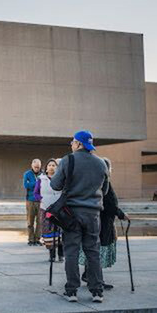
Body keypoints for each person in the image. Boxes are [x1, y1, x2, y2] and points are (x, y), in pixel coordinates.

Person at [51, 130, 109, 303]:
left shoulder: (69, 159)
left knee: (71, 251)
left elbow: (55, 185)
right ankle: (97, 291)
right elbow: (104, 190)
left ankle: (72, 291)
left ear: (79, 144)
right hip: (93, 214)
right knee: (93, 252)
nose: (71, 144)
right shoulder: (101, 163)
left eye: (73, 142)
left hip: (72, 214)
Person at [79, 157, 129, 290]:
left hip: (97, 220)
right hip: (102, 222)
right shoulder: (104, 182)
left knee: (94, 249)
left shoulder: (94, 182)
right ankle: (95, 279)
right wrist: (121, 214)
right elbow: (109, 204)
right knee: (98, 251)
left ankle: (88, 275)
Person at [34, 158, 63, 262]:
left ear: (57, 168)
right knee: (49, 232)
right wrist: (42, 199)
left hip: (59, 209)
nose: (51, 167)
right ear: (46, 168)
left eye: (54, 165)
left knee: (60, 231)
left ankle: (61, 254)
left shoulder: (61, 179)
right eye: (49, 165)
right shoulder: (41, 179)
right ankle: (52, 255)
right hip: (46, 209)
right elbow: (36, 193)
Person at [23, 159, 42, 246]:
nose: (37, 168)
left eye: (38, 167)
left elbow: (43, 186)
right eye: (35, 167)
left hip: (40, 201)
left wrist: (32, 184)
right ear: (32, 166)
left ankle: (37, 239)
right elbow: (26, 185)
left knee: (40, 221)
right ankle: (31, 239)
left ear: (40, 166)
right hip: (30, 200)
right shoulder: (27, 174)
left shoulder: (43, 174)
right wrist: (37, 183)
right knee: (30, 221)